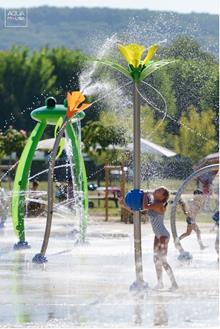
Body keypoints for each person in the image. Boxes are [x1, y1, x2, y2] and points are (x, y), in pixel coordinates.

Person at [120, 186, 178, 291]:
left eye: (159, 191)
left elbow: (144, 205)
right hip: (158, 235)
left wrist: (145, 194)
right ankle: (160, 283)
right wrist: (124, 205)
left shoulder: (159, 205)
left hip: (163, 235)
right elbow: (138, 210)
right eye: (158, 189)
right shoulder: (153, 203)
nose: (156, 190)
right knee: (156, 260)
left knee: (163, 260)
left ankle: (174, 284)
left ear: (163, 197)